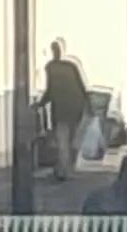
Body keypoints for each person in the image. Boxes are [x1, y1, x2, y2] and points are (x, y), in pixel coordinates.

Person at [36, 40, 94, 179]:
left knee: (63, 140)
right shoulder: (71, 65)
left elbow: (50, 89)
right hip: (76, 106)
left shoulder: (50, 67)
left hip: (61, 108)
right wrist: (88, 105)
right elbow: (81, 86)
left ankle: (64, 170)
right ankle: (66, 168)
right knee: (71, 140)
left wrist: (40, 104)